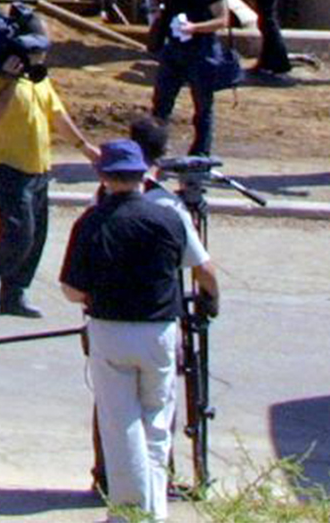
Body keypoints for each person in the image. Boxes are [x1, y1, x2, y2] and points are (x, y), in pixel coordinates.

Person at [60, 138, 220, 523]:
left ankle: (129, 513)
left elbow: (71, 290)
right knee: (156, 422)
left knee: (120, 425)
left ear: (103, 176)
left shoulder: (91, 221)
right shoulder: (168, 216)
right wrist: (211, 301)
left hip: (110, 332)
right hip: (159, 333)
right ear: (145, 175)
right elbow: (205, 270)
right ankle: (154, 511)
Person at [0, 13, 96, 316]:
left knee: (37, 237)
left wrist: (85, 148)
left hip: (39, 168)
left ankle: (14, 294)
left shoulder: (38, 79)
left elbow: (58, 116)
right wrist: (10, 80)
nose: (41, 56)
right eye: (35, 51)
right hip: (5, 165)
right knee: (19, 234)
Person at [150, 0, 233, 158]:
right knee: (162, 101)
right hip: (174, 49)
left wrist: (195, 28)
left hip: (201, 52)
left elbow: (222, 20)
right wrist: (158, 11)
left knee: (203, 106)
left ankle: (201, 152)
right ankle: (157, 147)